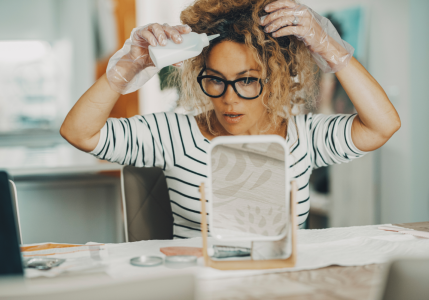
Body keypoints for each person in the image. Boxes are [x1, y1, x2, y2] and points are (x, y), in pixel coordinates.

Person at [60, 0, 400, 238]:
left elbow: (383, 125)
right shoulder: (171, 132)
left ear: (276, 78)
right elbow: (78, 132)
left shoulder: (303, 137)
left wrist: (330, 49)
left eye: (248, 79)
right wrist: (126, 70)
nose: (229, 97)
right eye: (215, 79)